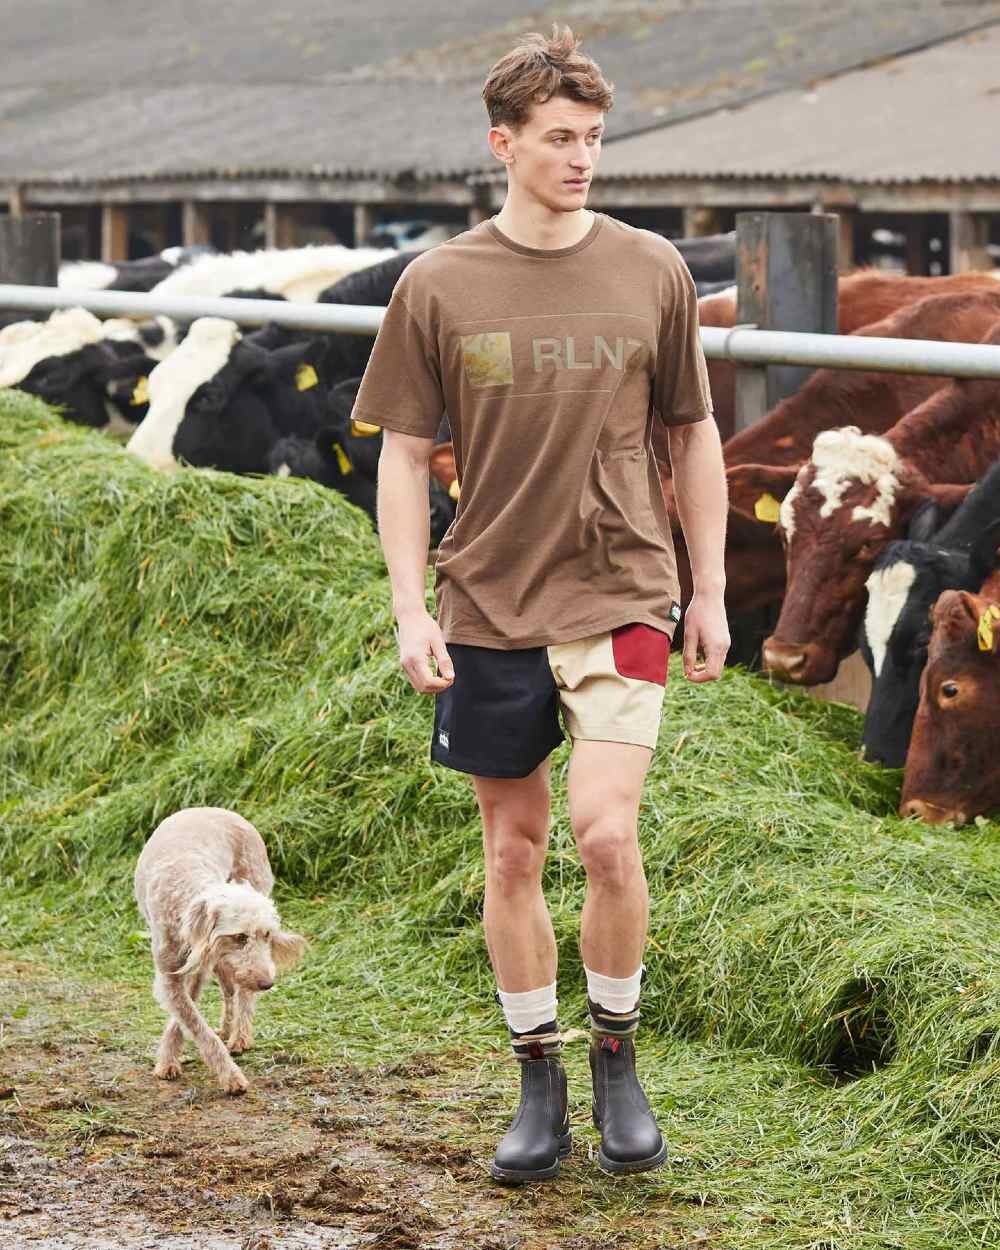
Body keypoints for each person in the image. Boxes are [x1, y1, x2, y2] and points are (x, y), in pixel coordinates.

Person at [353, 25, 729, 1184]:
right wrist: (410, 605)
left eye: (594, 139)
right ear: (501, 143)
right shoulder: (437, 283)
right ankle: (537, 1076)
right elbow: (402, 452)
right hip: (487, 602)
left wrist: (709, 586)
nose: (580, 159)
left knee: (605, 833)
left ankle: (617, 1054)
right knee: (511, 849)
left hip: (625, 587)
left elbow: (691, 431)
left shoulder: (651, 268)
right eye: (559, 138)